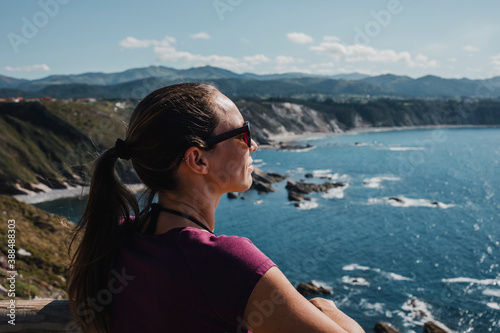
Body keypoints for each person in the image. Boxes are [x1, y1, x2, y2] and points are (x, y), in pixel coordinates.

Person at [67, 83, 365, 333]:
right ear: (198, 160)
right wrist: (329, 311)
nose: (254, 145)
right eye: (243, 134)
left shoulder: (114, 240)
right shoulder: (229, 262)